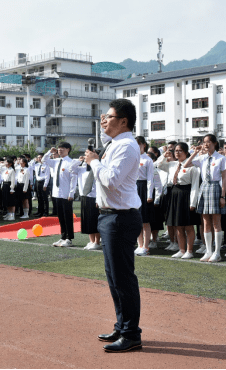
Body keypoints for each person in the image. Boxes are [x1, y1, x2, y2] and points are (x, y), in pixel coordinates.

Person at [85, 99, 143, 353]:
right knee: (114, 276)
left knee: (123, 278)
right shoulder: (115, 143)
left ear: (123, 121)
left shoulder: (127, 146)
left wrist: (94, 162)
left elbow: (112, 181)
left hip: (121, 218)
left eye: (108, 116)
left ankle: (131, 333)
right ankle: (122, 326)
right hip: (110, 216)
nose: (103, 120)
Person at [185, 134, 226, 263]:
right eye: (204, 142)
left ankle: (217, 252)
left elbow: (224, 179)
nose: (206, 144)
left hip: (215, 188)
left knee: (216, 222)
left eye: (208, 142)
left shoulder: (221, 158)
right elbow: (186, 164)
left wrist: (222, 196)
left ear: (214, 143)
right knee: (206, 222)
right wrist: (195, 152)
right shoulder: (202, 158)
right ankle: (208, 250)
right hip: (204, 188)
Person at [156, 143, 200, 259]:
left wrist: (193, 203)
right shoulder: (172, 164)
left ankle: (189, 250)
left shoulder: (192, 167)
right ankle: (181, 249)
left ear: (186, 152)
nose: (177, 152)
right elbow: (158, 165)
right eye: (176, 150)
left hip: (186, 194)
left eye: (180, 151)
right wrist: (164, 156)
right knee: (178, 225)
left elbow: (195, 186)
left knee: (188, 225)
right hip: (174, 194)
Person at [43, 142, 77, 248]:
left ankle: (69, 238)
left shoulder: (71, 162)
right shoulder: (56, 161)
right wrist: (49, 151)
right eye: (59, 149)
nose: (60, 150)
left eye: (62, 148)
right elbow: (44, 160)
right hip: (57, 193)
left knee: (67, 217)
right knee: (60, 217)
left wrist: (71, 193)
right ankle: (62, 237)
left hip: (66, 194)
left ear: (68, 150)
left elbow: (73, 179)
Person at [71, 151, 101, 251]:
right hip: (84, 196)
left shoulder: (98, 167)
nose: (86, 157)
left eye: (88, 155)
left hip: (94, 197)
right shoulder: (82, 168)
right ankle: (91, 241)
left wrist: (99, 199)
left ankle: (97, 242)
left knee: (94, 220)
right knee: (87, 220)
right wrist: (78, 161)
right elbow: (70, 169)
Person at [133, 136, 155, 257]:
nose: (137, 147)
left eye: (139, 144)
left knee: (145, 221)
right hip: (134, 188)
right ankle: (139, 245)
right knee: (136, 220)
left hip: (143, 188)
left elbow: (150, 178)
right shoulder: (133, 158)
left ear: (144, 145)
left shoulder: (148, 160)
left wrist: (149, 195)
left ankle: (146, 246)